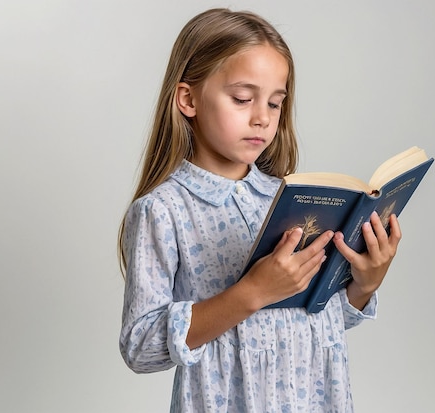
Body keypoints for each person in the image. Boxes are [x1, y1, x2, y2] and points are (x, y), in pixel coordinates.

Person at [118, 8, 401, 412]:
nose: (262, 119)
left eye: (274, 103)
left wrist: (364, 284)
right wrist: (250, 293)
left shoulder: (290, 198)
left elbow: (317, 318)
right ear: (188, 99)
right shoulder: (162, 211)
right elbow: (141, 347)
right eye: (242, 99)